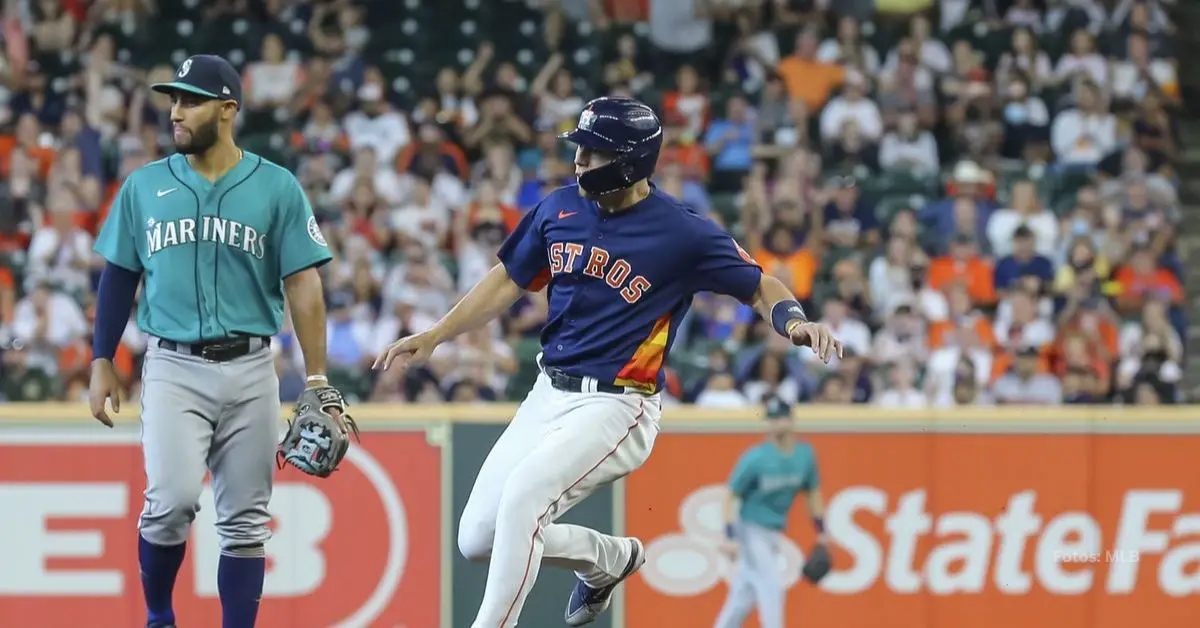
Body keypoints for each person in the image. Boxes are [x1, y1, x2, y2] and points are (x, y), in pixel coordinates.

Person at [375, 96, 844, 628]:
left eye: (592, 154)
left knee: (523, 500)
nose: (578, 163)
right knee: (477, 538)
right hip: (547, 391)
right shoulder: (558, 208)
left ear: (630, 162)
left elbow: (760, 286)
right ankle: (610, 559)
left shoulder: (682, 231)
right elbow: (508, 278)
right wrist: (438, 333)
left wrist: (795, 321)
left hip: (620, 403)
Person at [88, 54, 350, 628]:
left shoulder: (276, 186)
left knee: (246, 523)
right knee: (170, 505)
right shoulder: (145, 185)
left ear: (227, 109)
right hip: (173, 366)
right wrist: (102, 356)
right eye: (173, 100)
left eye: (190, 100)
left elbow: (304, 285)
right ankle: (159, 616)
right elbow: (119, 275)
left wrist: (317, 378)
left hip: (252, 367)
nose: (175, 111)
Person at [714, 396, 827, 628]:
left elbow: (813, 493)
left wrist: (822, 531)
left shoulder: (804, 456)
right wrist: (729, 536)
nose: (775, 424)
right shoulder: (756, 458)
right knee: (771, 585)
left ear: (791, 421)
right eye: (771, 419)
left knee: (742, 597)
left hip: (773, 531)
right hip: (751, 528)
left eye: (780, 418)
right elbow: (730, 495)